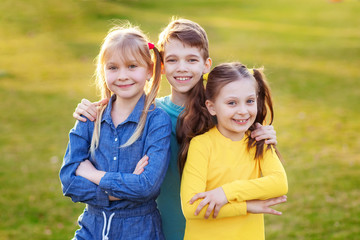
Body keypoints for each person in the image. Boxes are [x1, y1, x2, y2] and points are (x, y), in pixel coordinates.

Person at [72, 18, 279, 240]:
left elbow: (248, 147)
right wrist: (90, 109)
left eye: (191, 59)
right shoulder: (148, 116)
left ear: (206, 64)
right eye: (172, 60)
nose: (182, 68)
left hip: (218, 224)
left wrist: (265, 133)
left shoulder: (221, 113)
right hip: (158, 225)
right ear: (160, 66)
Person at [59, 24, 172, 240]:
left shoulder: (156, 121)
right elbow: (69, 181)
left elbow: (146, 187)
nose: (122, 76)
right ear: (103, 71)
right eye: (113, 68)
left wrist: (93, 175)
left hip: (139, 231)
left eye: (132, 66)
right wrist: (120, 192)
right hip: (91, 228)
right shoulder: (90, 117)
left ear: (149, 70)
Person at [179, 62, 288, 240]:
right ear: (212, 107)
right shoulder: (201, 145)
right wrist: (245, 206)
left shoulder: (259, 140)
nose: (243, 111)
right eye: (232, 103)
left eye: (250, 101)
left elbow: (279, 184)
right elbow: (191, 207)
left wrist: (226, 193)